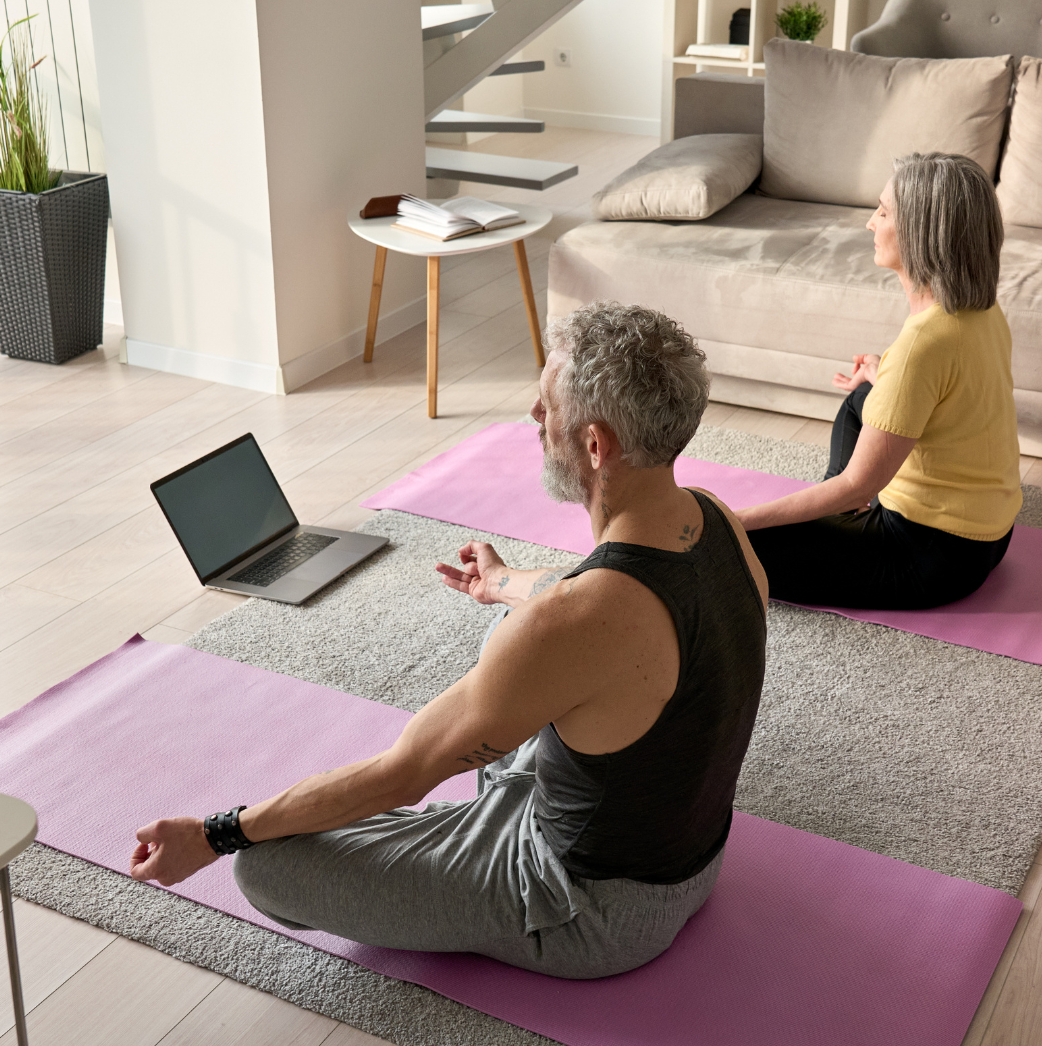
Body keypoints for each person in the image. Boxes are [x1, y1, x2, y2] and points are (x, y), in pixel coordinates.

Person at [128, 302, 768, 980]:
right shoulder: (712, 517)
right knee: (512, 629)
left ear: (594, 446)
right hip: (693, 856)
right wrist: (502, 584)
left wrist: (213, 833)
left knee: (268, 867)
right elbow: (594, 599)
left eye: (546, 404)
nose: (532, 415)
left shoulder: (577, 620)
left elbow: (403, 774)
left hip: (589, 908)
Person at [738, 152, 1021, 610]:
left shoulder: (923, 343)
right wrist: (884, 375)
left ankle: (834, 516)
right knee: (862, 398)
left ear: (922, 232)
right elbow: (957, 389)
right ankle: (838, 518)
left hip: (930, 557)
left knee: (739, 549)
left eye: (884, 212)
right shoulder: (981, 310)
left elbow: (858, 485)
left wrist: (736, 520)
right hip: (990, 536)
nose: (871, 223)